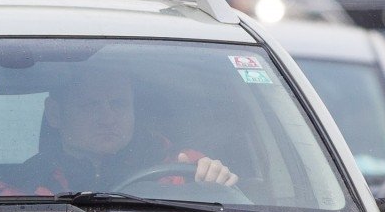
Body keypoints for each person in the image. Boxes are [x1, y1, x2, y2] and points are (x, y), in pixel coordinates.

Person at [15, 67, 238, 195]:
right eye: (91, 105)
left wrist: (216, 185)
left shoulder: (184, 168)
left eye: (119, 104)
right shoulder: (23, 187)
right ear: (54, 114)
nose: (108, 118)